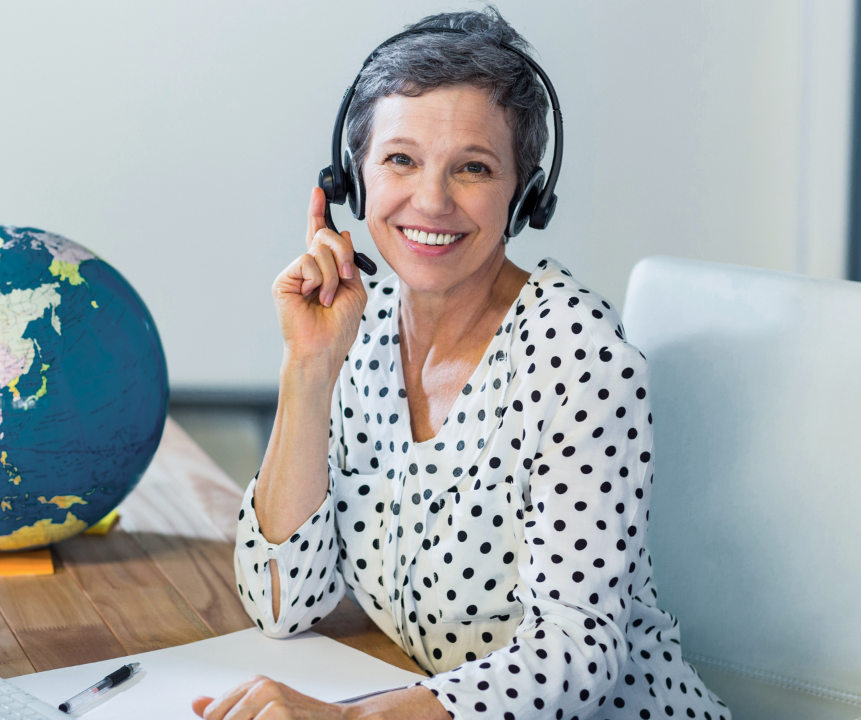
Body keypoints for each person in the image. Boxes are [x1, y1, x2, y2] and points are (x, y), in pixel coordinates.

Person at [193, 9, 728, 720]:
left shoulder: (581, 359)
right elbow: (282, 604)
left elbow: (575, 652)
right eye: (401, 159)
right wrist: (309, 366)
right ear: (351, 180)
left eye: (472, 167)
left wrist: (353, 719)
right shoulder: (357, 324)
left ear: (525, 194)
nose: (432, 200)